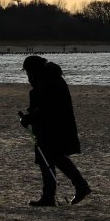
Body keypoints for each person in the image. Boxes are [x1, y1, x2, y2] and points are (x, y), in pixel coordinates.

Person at [19, 55, 92, 207]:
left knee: (48, 159)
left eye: (27, 72)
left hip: (52, 128)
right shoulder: (51, 79)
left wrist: (29, 118)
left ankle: (52, 195)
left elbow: (47, 108)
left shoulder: (46, 82)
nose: (27, 76)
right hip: (59, 126)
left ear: (33, 70)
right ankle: (75, 188)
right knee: (55, 158)